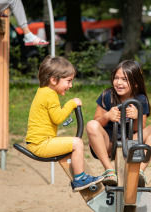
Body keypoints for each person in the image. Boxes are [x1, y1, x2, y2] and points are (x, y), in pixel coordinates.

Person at [25, 55, 103, 192]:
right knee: (77, 143)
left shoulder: (43, 92)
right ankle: (79, 179)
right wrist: (72, 103)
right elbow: (58, 118)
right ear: (54, 80)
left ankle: (80, 176)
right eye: (68, 81)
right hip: (41, 144)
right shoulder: (50, 95)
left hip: (40, 142)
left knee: (74, 143)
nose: (70, 85)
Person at [86, 60, 151, 187]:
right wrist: (107, 116)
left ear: (136, 83)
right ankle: (109, 171)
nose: (119, 83)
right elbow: (96, 122)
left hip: (128, 142)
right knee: (91, 124)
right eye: (116, 78)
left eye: (124, 79)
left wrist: (137, 117)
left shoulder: (140, 99)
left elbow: (140, 127)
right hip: (108, 144)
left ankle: (140, 172)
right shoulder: (107, 94)